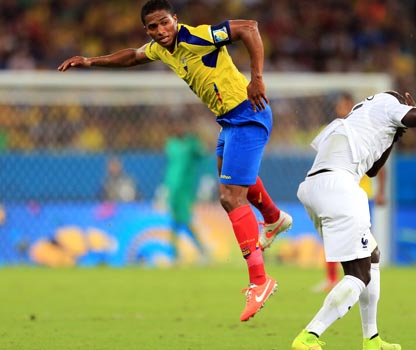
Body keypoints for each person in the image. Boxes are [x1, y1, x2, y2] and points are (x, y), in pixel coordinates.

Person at [58, 0, 293, 322]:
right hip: (229, 121)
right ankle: (274, 217)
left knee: (229, 197)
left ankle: (259, 281)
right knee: (237, 180)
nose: (160, 31)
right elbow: (132, 56)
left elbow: (249, 28)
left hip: (248, 115)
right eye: (153, 27)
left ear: (175, 20)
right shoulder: (160, 49)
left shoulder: (199, 36)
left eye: (164, 23)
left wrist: (257, 78)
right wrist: (90, 61)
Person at [292, 91, 416, 350]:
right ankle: (309, 336)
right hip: (341, 188)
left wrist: (395, 134)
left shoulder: (360, 115)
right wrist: (411, 111)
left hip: (313, 188)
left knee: (371, 256)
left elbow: (373, 170)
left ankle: (371, 339)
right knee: (359, 275)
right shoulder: (389, 104)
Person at [312, 92, 386, 293]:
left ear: (352, 107)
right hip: (335, 193)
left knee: (363, 239)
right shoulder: (328, 131)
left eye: (345, 105)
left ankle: (362, 277)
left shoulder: (363, 132)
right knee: (332, 235)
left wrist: (381, 192)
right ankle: (332, 278)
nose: (341, 109)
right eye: (339, 105)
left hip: (360, 194)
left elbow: (381, 165)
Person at [163, 116, 206, 262]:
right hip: (173, 189)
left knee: (184, 220)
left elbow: (202, 154)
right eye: (176, 125)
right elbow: (171, 168)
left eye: (181, 126)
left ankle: (200, 250)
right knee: (176, 220)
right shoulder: (171, 144)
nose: (179, 128)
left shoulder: (191, 144)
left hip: (185, 190)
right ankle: (176, 253)